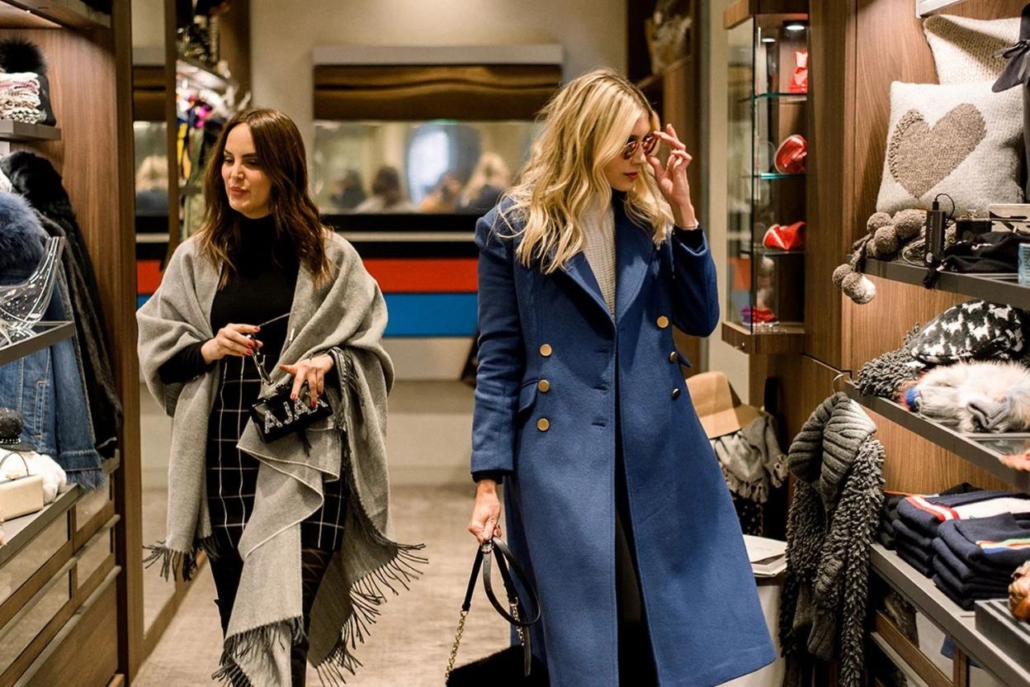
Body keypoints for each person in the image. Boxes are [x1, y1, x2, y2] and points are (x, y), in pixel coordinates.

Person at [467, 69, 775, 686]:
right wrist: (487, 481)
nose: (641, 158)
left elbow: (700, 317)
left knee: (667, 623)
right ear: (587, 138)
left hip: (657, 442)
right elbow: (498, 356)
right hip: (559, 456)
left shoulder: (648, 219)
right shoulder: (512, 227)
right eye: (627, 144)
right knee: (584, 634)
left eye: (647, 143)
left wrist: (684, 207)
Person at [137, 107, 424, 686]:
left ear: (283, 171)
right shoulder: (197, 257)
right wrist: (210, 349)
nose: (233, 175)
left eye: (252, 162)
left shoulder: (331, 257)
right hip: (223, 460)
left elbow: (371, 357)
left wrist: (330, 360)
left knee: (283, 624)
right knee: (241, 626)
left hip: (307, 463)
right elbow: (159, 348)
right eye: (228, 161)